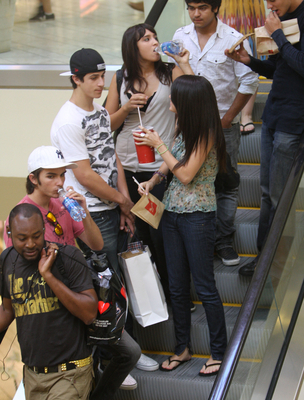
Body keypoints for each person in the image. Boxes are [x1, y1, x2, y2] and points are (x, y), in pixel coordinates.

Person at [50, 48, 157, 373]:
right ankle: (117, 359)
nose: (101, 83)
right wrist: (122, 202)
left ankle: (129, 353)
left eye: (102, 76)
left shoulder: (96, 112)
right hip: (92, 216)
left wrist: (124, 203)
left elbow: (113, 161)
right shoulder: (67, 122)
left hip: (112, 209)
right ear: (76, 78)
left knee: (123, 281)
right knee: (106, 287)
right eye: (93, 78)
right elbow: (84, 175)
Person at [135, 75, 227, 376]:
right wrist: (154, 179)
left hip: (198, 214)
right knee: (176, 285)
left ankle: (218, 351)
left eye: (174, 98)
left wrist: (158, 144)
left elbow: (186, 174)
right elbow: (172, 160)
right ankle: (182, 349)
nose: (170, 104)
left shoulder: (208, 131)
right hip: (172, 211)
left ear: (188, 102)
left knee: (204, 285)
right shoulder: (184, 126)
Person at [105, 23, 192, 302]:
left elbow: (195, 99)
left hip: (161, 169)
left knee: (164, 236)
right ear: (134, 46)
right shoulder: (120, 77)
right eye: (147, 38)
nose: (154, 42)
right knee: (138, 235)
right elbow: (106, 125)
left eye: (155, 37)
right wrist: (127, 108)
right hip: (128, 169)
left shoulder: (169, 72)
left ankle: (176, 293)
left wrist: (184, 64)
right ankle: (151, 297)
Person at [171, 0, 259, 266]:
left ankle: (223, 240)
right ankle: (202, 241)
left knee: (226, 182)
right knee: (194, 179)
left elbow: (249, 81)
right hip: (188, 124)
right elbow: (176, 70)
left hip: (222, 125)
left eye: (202, 7)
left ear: (216, 8)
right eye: (191, 7)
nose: (196, 13)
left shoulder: (233, 39)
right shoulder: (180, 35)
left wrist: (229, 118)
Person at [225, 0, 304, 276]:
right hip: (273, 116)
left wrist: (278, 36)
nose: (269, 4)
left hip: (294, 123)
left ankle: (279, 267)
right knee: (267, 193)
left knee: (281, 198)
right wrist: (249, 62)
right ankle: (264, 260)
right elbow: (279, 70)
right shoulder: (278, 19)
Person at [0, 204, 98, 399]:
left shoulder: (68, 257)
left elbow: (89, 313)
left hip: (70, 374)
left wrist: (48, 276)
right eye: (22, 238)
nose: (30, 244)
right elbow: (7, 310)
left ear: (44, 230)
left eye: (36, 236)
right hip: (32, 376)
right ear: (9, 232)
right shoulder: (6, 260)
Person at [3, 145, 104, 251]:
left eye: (62, 175)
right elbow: (16, 264)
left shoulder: (64, 204)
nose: (60, 182)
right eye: (51, 176)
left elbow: (97, 246)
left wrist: (85, 213)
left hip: (70, 266)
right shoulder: (20, 216)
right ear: (33, 179)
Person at [218, 0, 267, 134]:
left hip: (251, 4)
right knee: (231, 45)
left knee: (249, 50)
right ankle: (241, 113)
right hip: (229, 5)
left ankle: (246, 114)